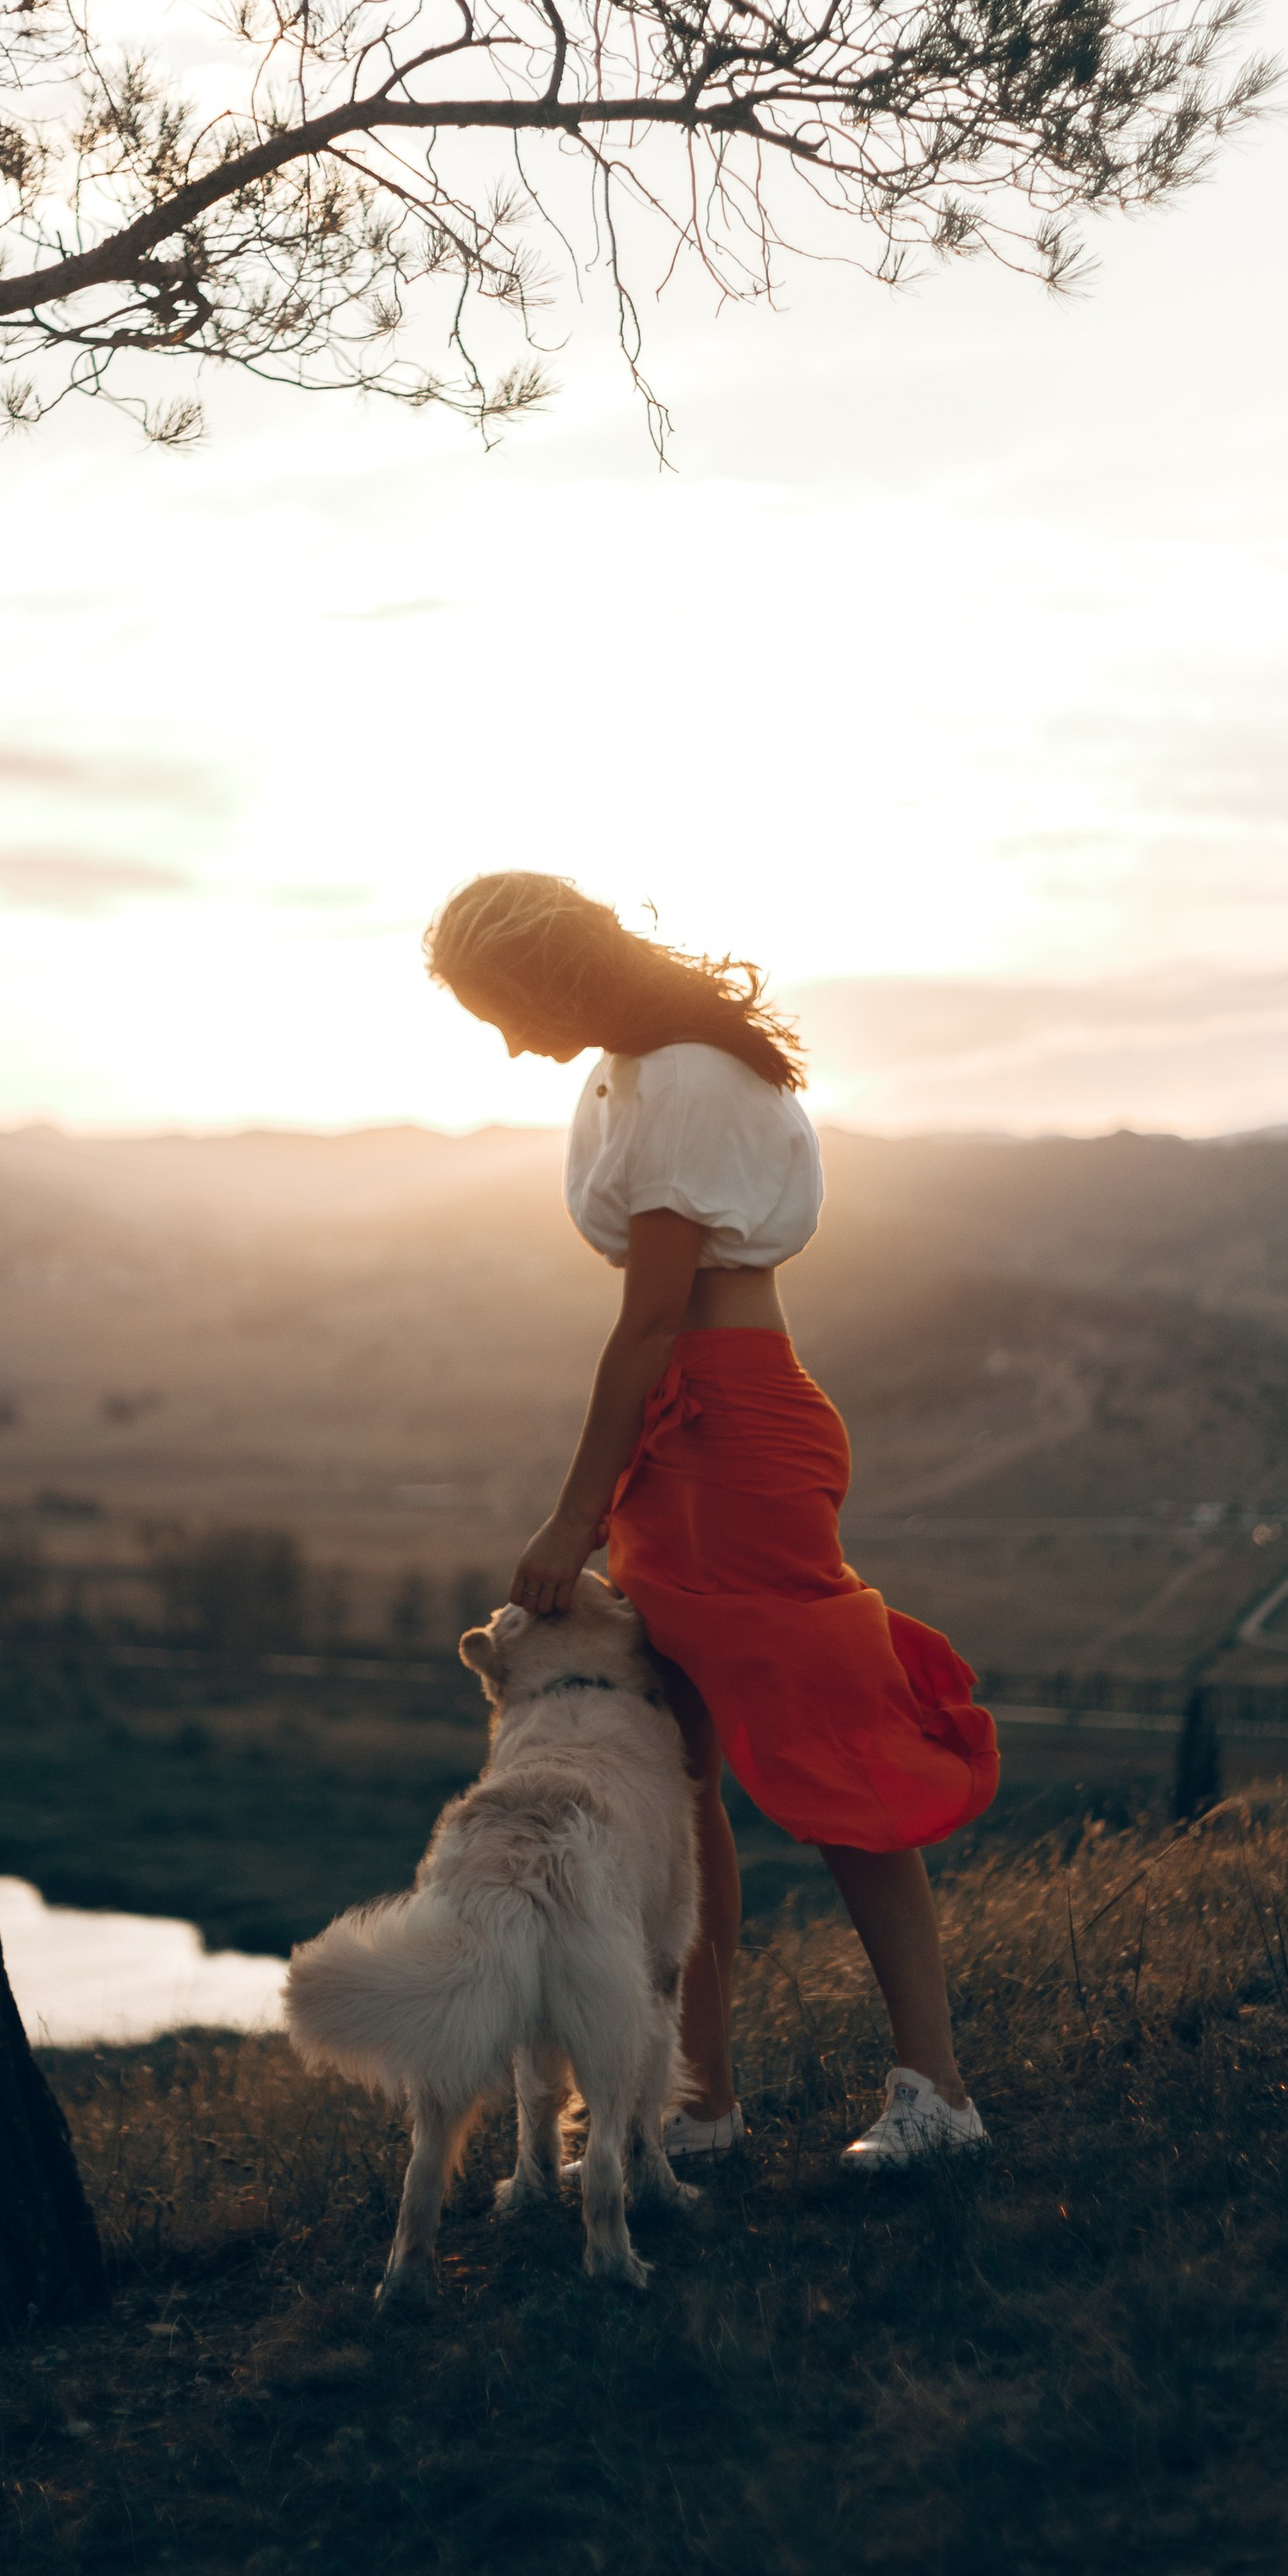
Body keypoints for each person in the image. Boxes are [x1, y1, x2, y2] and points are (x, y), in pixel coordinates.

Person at [425, 869, 999, 2169]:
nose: (511, 1045)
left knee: (839, 1749)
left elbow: (652, 1317)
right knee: (678, 1786)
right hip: (690, 1435)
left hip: (727, 1433)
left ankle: (939, 2098)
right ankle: (693, 2105)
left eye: (504, 1011)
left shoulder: (682, 1075)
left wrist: (573, 1519)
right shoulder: (635, 1069)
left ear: (551, 976)